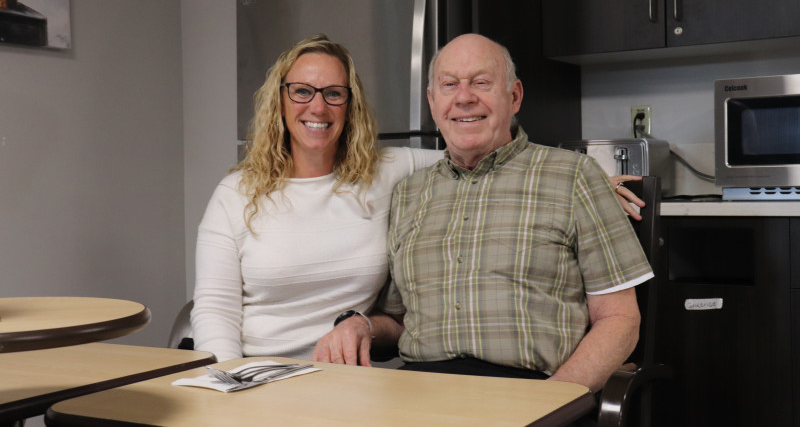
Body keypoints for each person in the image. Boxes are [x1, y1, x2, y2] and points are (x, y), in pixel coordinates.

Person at [313, 33, 653, 394]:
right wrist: (361, 326)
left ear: (515, 96)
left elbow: (619, 320)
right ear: (432, 101)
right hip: (417, 393)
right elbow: (400, 321)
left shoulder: (574, 177)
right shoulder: (410, 193)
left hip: (529, 391)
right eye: (449, 85)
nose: (464, 98)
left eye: (481, 83)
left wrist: (555, 396)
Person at [190, 34, 443, 362]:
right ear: (281, 101)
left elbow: (468, 153)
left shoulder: (384, 171)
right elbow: (215, 310)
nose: (318, 107)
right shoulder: (236, 194)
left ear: (350, 107)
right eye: (302, 91)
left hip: (348, 382)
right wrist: (230, 383)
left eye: (334, 94)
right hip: (258, 378)